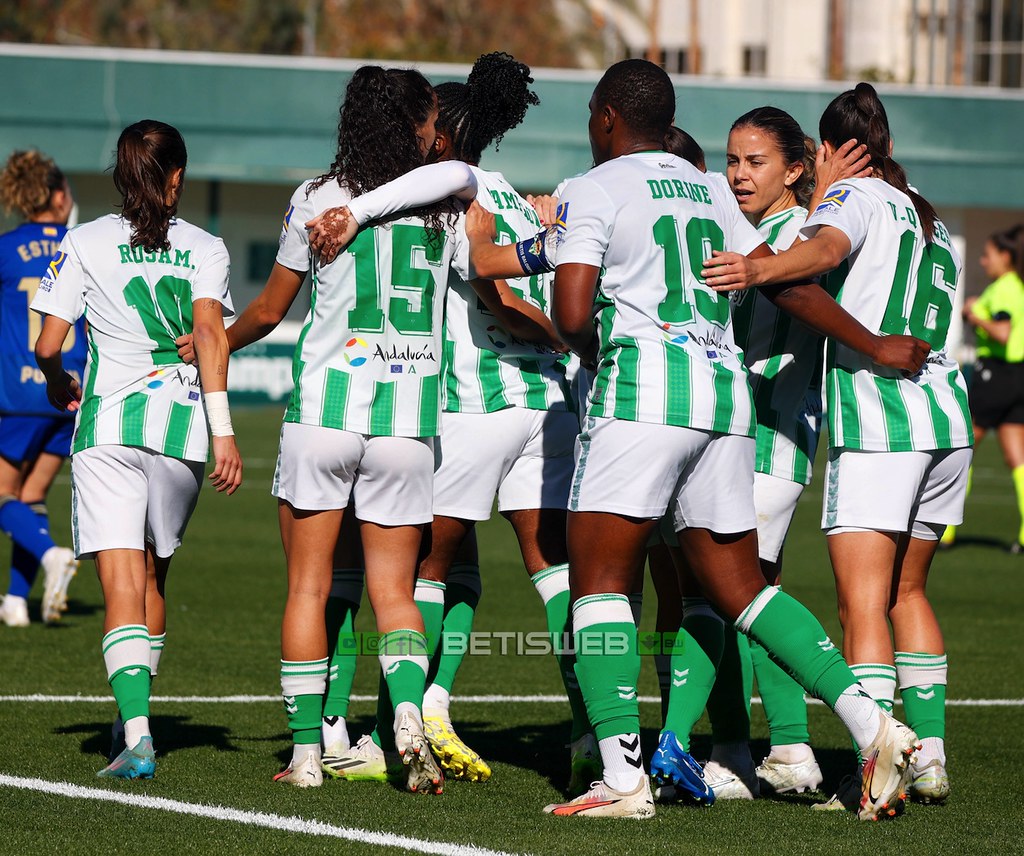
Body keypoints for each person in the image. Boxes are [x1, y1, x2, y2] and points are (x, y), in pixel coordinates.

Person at [542, 60, 925, 821]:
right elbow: (781, 279)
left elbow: (574, 309)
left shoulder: (595, 186)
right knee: (742, 589)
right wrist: (875, 344)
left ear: (609, 117)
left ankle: (622, 782)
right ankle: (874, 727)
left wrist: (586, 344)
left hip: (641, 401)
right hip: (724, 406)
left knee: (600, 584)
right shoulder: (712, 191)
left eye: (593, 113)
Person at [302, 53, 591, 791]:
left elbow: (492, 293)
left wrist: (546, 329)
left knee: (411, 569)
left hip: (472, 402)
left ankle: (402, 713)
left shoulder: (447, 195)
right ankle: (592, 728)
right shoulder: (517, 200)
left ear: (439, 133)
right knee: (551, 570)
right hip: (548, 406)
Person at [704, 82, 971, 807]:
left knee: (862, 604)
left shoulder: (854, 197)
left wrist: (760, 265)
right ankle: (930, 758)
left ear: (826, 152)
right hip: (949, 417)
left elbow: (821, 250)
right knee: (908, 591)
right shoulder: (927, 212)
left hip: (885, 419)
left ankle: (871, 768)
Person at [31, 119, 242, 780]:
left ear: (123, 178)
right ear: (175, 178)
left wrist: (60, 378)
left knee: (121, 582)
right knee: (153, 578)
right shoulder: (207, 246)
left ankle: (137, 734)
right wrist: (225, 430)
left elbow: (47, 342)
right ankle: (133, 720)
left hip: (109, 430)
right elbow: (211, 334)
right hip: (182, 432)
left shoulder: (86, 240)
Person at [0, 150, 83, 627]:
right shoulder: (82, 245)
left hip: (18, 390)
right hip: (69, 387)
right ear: (56, 195)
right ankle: (15, 600)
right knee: (30, 496)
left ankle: (51, 555)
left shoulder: (7, 247)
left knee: (3, 493)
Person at [944, 224, 1024, 551]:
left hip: (996, 376)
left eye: (987, 255)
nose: (982, 261)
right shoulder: (1015, 287)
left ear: (1005, 256)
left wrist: (974, 315)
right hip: (1018, 377)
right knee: (1016, 456)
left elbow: (1003, 333)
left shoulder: (1004, 289)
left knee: (961, 448)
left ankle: (944, 531)